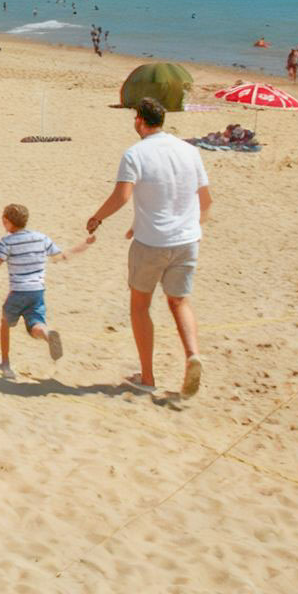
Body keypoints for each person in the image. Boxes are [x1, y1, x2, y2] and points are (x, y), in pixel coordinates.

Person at [86, 98, 211, 397]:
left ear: (141, 120)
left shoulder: (135, 154)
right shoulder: (190, 151)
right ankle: (192, 354)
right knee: (179, 301)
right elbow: (205, 201)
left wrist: (96, 218)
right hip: (186, 240)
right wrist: (189, 228)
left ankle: (147, 377)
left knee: (140, 306)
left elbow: (122, 196)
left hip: (152, 243)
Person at [0, 204, 88, 378]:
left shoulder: (6, 241)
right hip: (38, 291)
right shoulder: (41, 238)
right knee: (35, 322)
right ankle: (47, 334)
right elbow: (60, 257)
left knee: (5, 323)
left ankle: (5, 365)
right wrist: (83, 245)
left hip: (18, 290)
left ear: (6, 221)